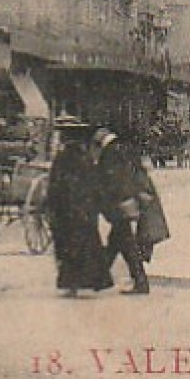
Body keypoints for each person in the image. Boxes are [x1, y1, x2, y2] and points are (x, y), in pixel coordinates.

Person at [44, 117, 113, 297]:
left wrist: (52, 204)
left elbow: (56, 185)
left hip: (68, 210)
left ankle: (73, 284)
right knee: (86, 245)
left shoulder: (63, 157)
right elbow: (94, 183)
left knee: (69, 247)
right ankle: (92, 281)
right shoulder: (85, 156)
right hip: (85, 209)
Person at [90, 128, 149, 294]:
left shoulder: (110, 154)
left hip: (119, 203)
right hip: (128, 201)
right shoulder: (123, 148)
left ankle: (140, 282)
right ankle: (100, 279)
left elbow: (111, 180)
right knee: (117, 243)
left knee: (125, 245)